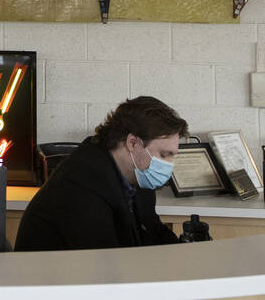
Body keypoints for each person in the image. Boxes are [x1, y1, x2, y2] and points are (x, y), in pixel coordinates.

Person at [14, 95, 189, 251]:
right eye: (165, 155)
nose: (168, 164)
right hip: (51, 282)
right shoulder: (80, 185)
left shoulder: (138, 176)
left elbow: (153, 232)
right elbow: (103, 263)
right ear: (133, 143)